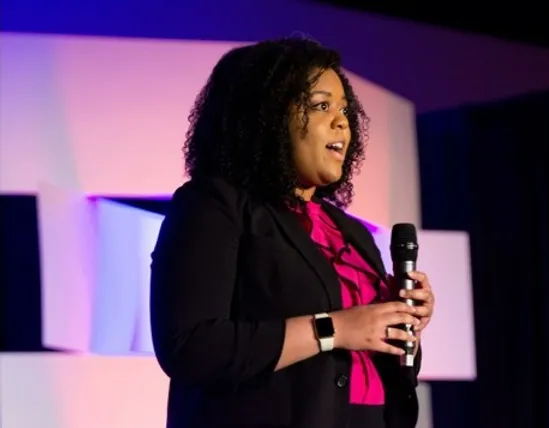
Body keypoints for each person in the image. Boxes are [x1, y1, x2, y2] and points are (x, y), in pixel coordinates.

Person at [149, 36, 436, 428]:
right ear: (267, 117)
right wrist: (334, 328)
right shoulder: (214, 205)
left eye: (344, 109)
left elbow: (375, 364)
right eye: (321, 106)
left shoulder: (351, 234)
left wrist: (400, 325)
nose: (342, 122)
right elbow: (190, 347)